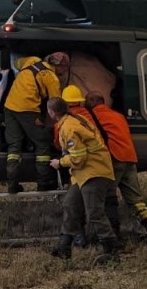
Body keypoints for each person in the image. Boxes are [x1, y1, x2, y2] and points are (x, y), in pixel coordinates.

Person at [48, 97, 121, 263]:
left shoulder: (68, 127)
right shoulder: (74, 118)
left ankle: (112, 251)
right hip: (83, 174)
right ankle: (64, 248)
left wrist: (60, 163)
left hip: (93, 172)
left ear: (52, 113)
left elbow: (79, 157)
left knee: (94, 212)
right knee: (70, 205)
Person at [85, 91, 147, 242]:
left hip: (114, 158)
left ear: (92, 102)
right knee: (136, 199)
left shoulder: (92, 117)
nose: (84, 103)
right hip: (129, 158)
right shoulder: (118, 115)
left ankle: (114, 234)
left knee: (109, 196)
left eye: (87, 100)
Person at [3, 54, 63, 193]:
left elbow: (17, 62)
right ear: (59, 66)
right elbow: (56, 105)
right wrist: (45, 121)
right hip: (28, 109)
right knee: (42, 144)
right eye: (64, 68)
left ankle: (12, 185)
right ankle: (43, 184)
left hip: (10, 106)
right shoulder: (51, 77)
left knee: (14, 146)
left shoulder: (32, 60)